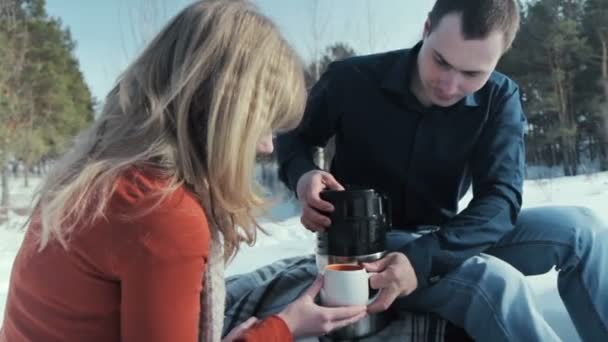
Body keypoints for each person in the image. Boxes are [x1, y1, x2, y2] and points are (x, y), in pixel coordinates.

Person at [0, 1, 368, 341]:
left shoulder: (99, 174)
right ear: (223, 117)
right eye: (264, 125)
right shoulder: (161, 212)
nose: (268, 147)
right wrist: (282, 329)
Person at [277, 0, 608, 341]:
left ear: (498, 60)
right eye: (441, 61)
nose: (450, 86)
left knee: (585, 231)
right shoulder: (351, 79)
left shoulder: (500, 96)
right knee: (494, 280)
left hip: (445, 235)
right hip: (369, 245)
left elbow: (500, 198)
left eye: (472, 74)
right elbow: (292, 135)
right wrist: (303, 174)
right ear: (426, 29)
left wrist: (424, 258)